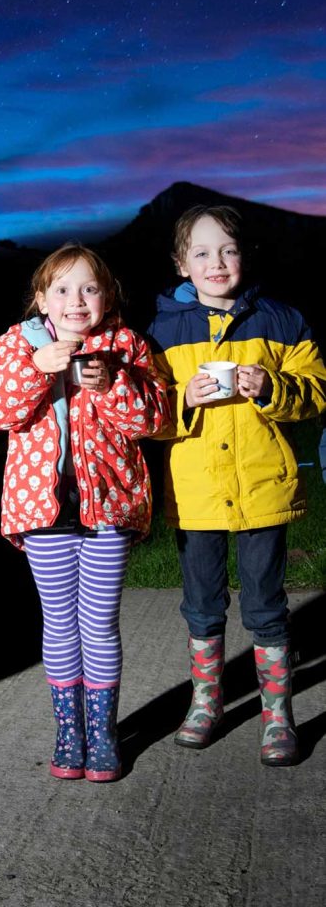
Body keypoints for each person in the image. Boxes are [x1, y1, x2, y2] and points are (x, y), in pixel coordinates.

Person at [0, 244, 169, 781]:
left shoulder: (124, 343)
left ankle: (103, 731)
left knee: (100, 625)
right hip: (42, 511)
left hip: (108, 506)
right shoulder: (19, 342)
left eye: (89, 288)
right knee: (60, 623)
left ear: (107, 297)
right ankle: (68, 730)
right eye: (61, 289)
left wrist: (114, 383)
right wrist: (37, 368)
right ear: (41, 299)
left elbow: (151, 419)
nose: (76, 300)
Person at [146, 204, 326, 767]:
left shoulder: (283, 321)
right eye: (201, 252)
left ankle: (278, 713)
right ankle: (207, 702)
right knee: (201, 603)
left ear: (244, 256)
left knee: (267, 604)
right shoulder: (161, 331)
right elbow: (145, 412)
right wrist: (183, 401)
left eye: (227, 249)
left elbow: (316, 392)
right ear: (182, 263)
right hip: (197, 491)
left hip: (263, 486)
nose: (216, 262)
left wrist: (271, 386)